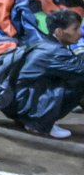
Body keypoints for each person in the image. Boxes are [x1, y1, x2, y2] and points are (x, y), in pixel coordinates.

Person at [6, 10, 84, 139]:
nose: (80, 33)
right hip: (24, 102)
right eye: (75, 29)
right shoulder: (53, 51)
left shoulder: (46, 43)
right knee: (80, 82)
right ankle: (39, 124)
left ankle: (32, 119)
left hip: (18, 101)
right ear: (59, 32)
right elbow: (80, 70)